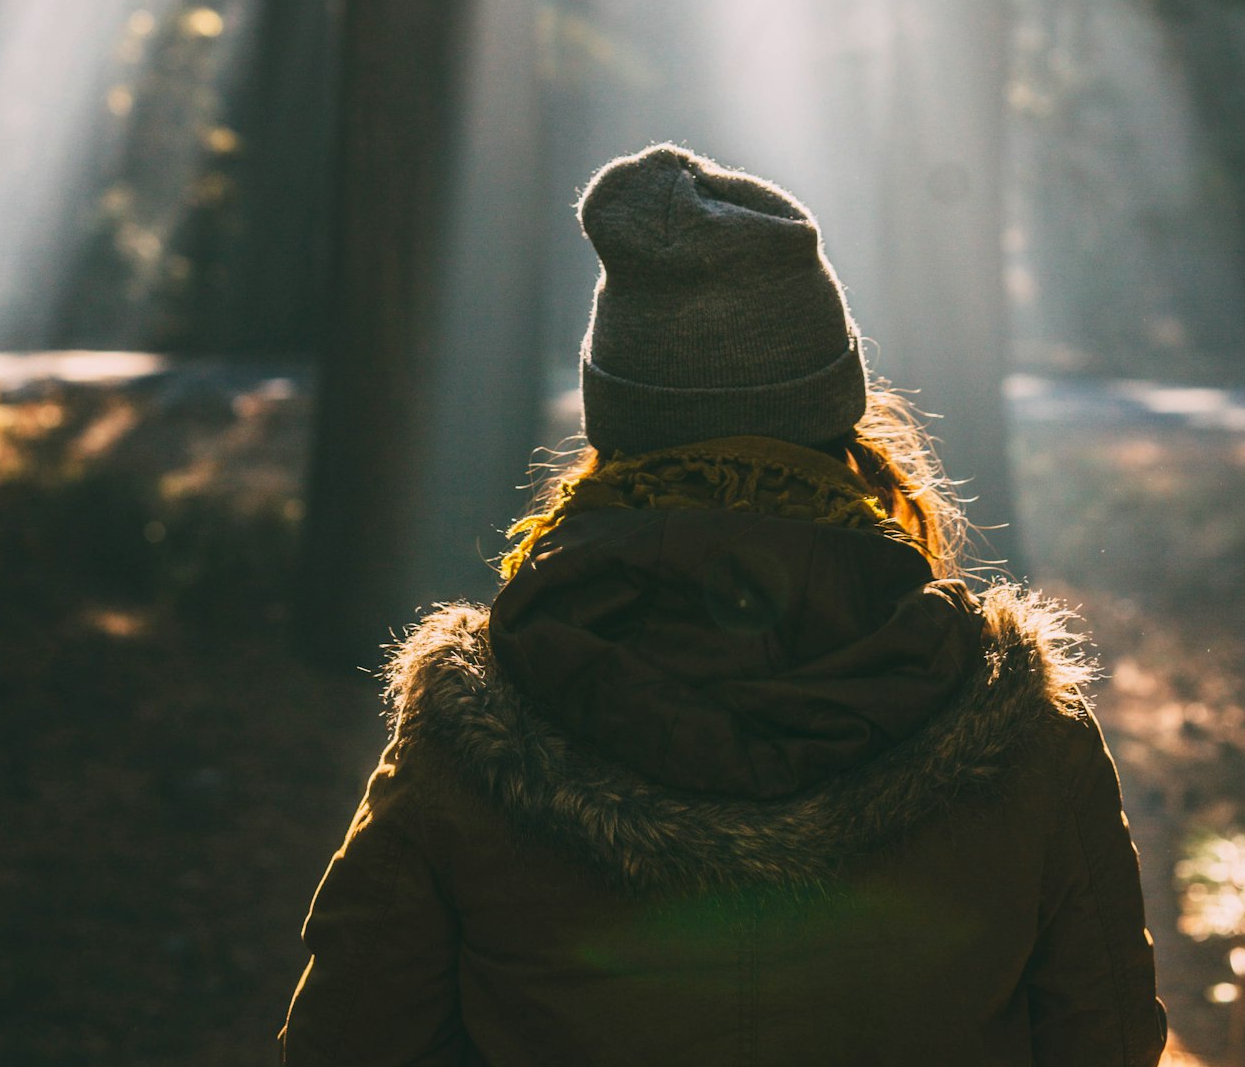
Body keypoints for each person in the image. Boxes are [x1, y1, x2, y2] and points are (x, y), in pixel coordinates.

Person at [282, 143, 1167, 1066]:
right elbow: (1105, 1043)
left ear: (613, 425)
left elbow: (349, 1041)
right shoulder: (1019, 732)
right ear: (840, 411)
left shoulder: (473, 737)